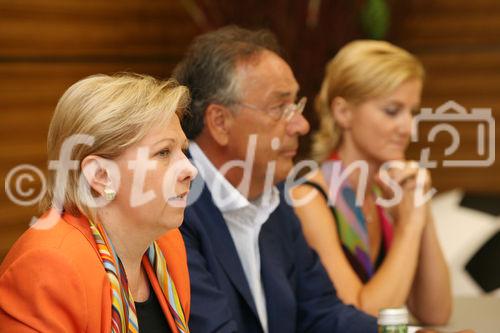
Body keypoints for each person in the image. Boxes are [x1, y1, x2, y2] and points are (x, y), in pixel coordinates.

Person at [173, 25, 377, 333]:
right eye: (280, 108)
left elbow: (323, 315)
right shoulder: (173, 206)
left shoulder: (275, 197)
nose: (301, 125)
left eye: (297, 105)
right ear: (220, 122)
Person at [0, 74, 198, 333]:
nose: (189, 169)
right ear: (101, 176)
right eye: (163, 152)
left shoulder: (167, 244)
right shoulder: (50, 266)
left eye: (182, 151)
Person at [291, 40, 452, 324]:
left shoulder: (387, 193)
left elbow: (435, 313)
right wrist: (409, 226)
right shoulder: (309, 199)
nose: (409, 128)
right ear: (343, 113)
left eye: (411, 112)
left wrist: (420, 208)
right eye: (392, 111)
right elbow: (361, 317)